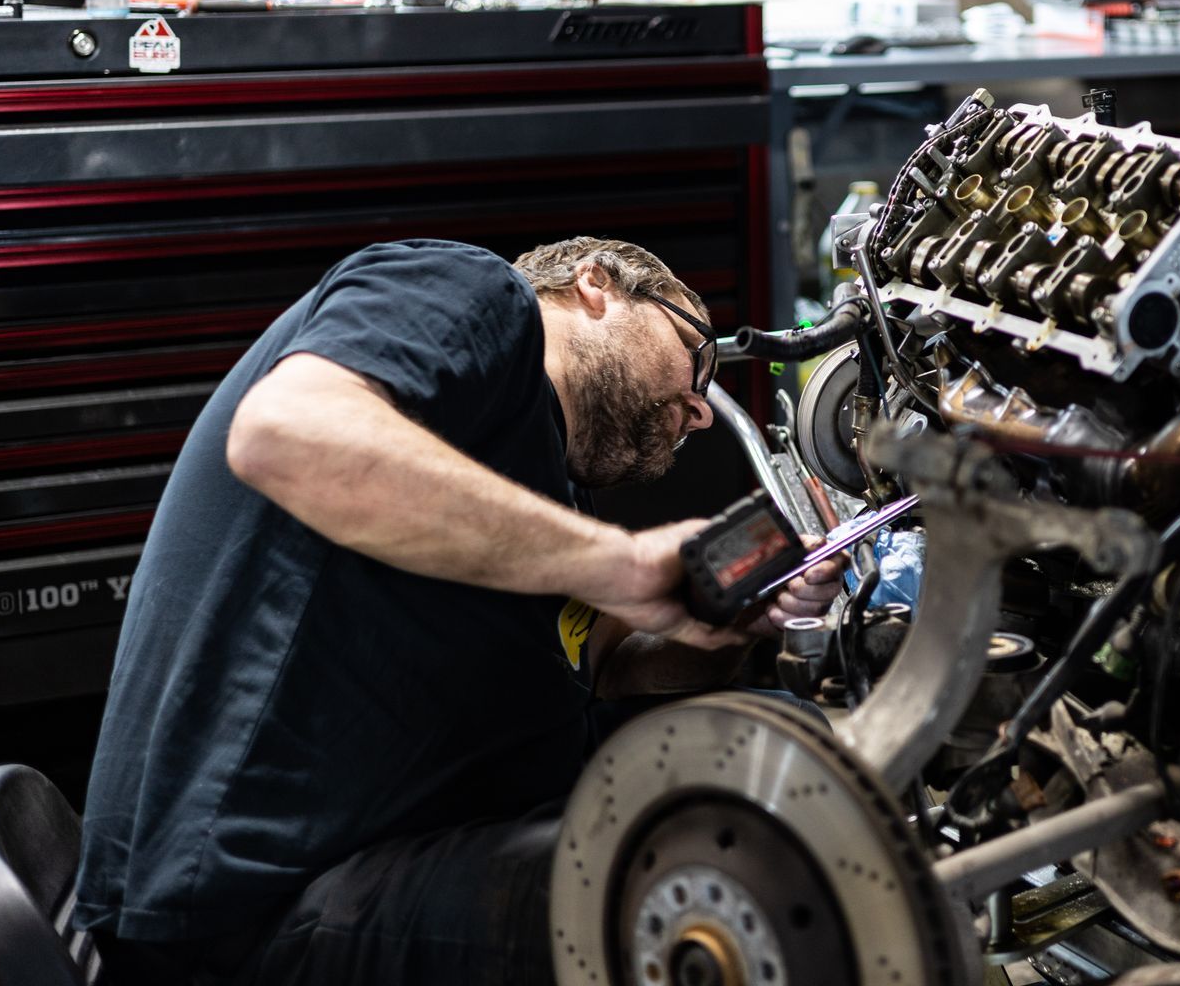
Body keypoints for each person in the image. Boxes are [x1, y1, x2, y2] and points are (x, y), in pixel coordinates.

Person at [71, 236, 842, 984]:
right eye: (695, 353)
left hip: (386, 848)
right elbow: (286, 435)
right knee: (743, 878)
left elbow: (604, 665)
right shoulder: (466, 291)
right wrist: (626, 563)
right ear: (596, 285)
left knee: (784, 745)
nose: (701, 410)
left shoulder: (540, 487)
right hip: (246, 905)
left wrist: (725, 629)